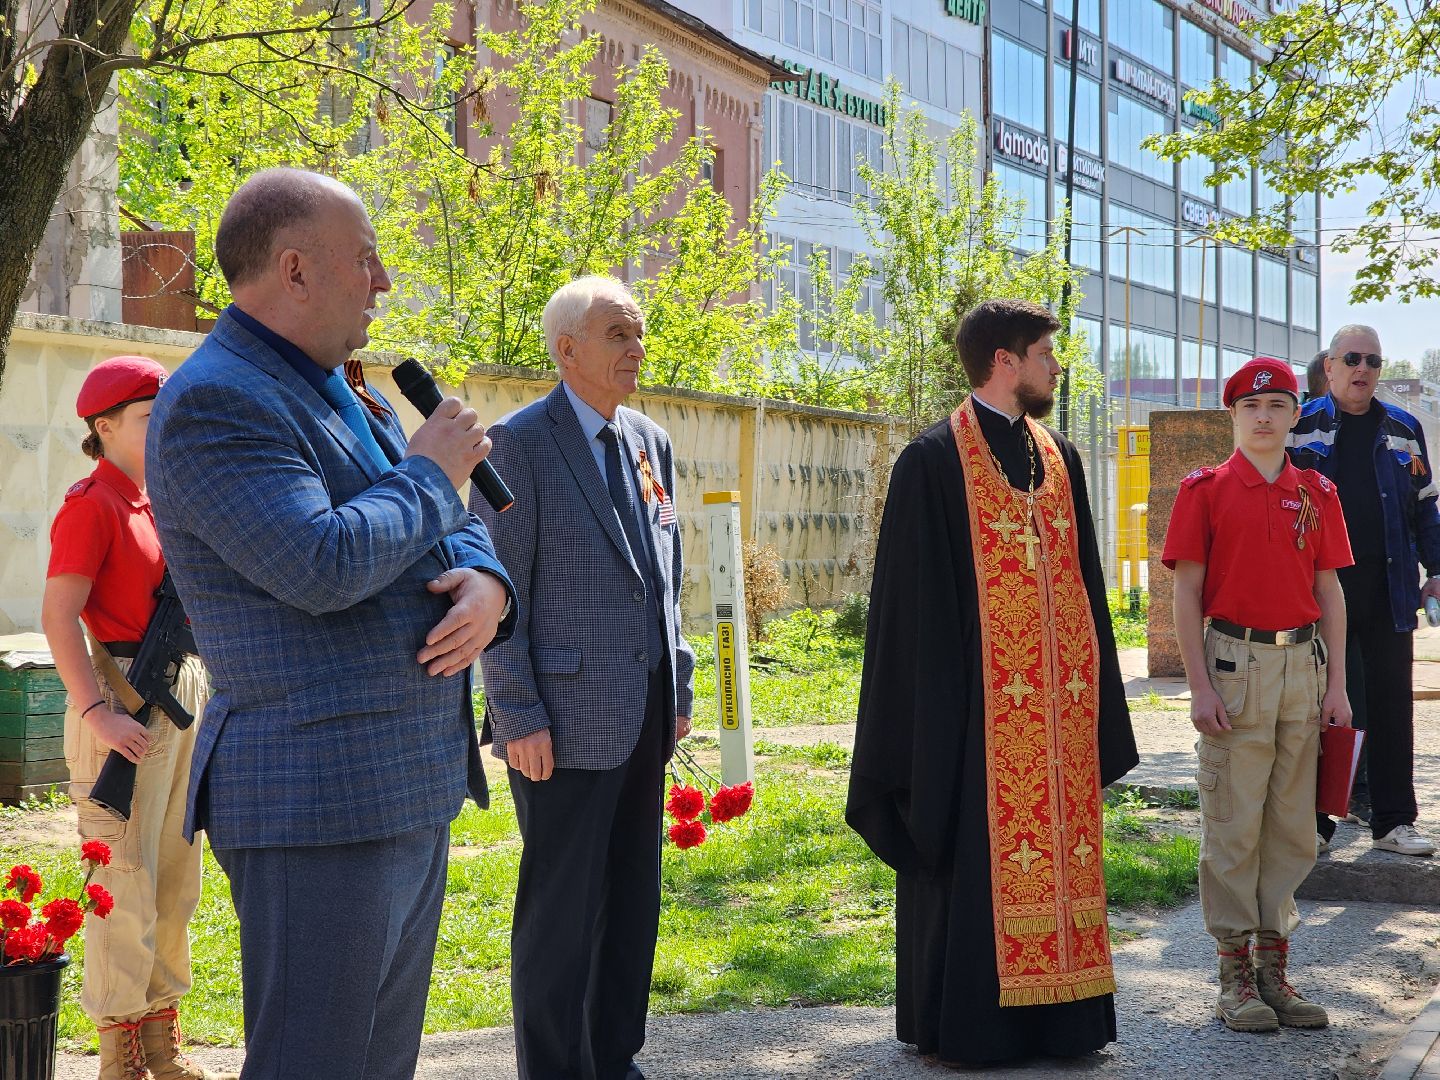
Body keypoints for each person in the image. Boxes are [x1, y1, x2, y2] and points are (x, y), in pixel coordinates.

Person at [145, 168, 515, 1079]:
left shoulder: (348, 389)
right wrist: (430, 475)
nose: (383, 280)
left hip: (403, 782)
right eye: (367, 258)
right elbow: (321, 563)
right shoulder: (214, 402)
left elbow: (458, 523)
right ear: (296, 269)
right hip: (317, 795)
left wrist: (488, 586)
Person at [846, 298, 1138, 1067]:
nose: (1055, 366)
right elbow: (910, 621)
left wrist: (1099, 702)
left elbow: (1087, 590)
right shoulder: (934, 460)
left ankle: (1066, 1021)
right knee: (976, 860)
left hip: (1061, 719)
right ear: (1005, 363)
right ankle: (976, 1028)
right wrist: (938, 726)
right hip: (976, 721)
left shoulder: (1060, 456)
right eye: (1045, 353)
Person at [473, 275, 695, 1080]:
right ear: (567, 350)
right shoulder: (519, 445)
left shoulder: (649, 441)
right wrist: (517, 712)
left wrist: (680, 688)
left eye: (638, 332)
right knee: (560, 916)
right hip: (558, 723)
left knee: (632, 906)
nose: (636, 348)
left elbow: (666, 576)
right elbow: (496, 589)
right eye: (617, 334)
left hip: (643, 713)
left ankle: (614, 1059)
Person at [41, 356, 234, 1080]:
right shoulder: (91, 505)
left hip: (180, 696)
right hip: (118, 698)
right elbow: (59, 616)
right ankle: (119, 1050)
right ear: (105, 426)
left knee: (175, 878)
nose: (164, 432)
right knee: (122, 878)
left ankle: (160, 1039)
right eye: (151, 419)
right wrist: (95, 711)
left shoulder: (160, 504)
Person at [1164, 357, 1352, 1033]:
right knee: (1234, 826)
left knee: (1293, 829)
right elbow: (1186, 591)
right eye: (1251, 407)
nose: (1265, 417)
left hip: (1303, 665)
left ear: (1296, 414)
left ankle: (1276, 971)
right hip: (1235, 667)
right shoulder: (1206, 490)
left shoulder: (1316, 493)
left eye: (1277, 406)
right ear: (1234, 417)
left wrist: (1337, 685)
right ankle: (1234, 977)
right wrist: (1198, 685)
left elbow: (1329, 591)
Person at [1289, 324, 1440, 858]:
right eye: (1351, 358)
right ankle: (1317, 823)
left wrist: (1436, 569)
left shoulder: (1403, 428)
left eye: (1373, 361)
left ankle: (1394, 822)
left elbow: (1425, 507)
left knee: (1392, 705)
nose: (1362, 369)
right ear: (1327, 367)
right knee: (1325, 706)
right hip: (1318, 593)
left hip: (1390, 589)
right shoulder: (1298, 427)